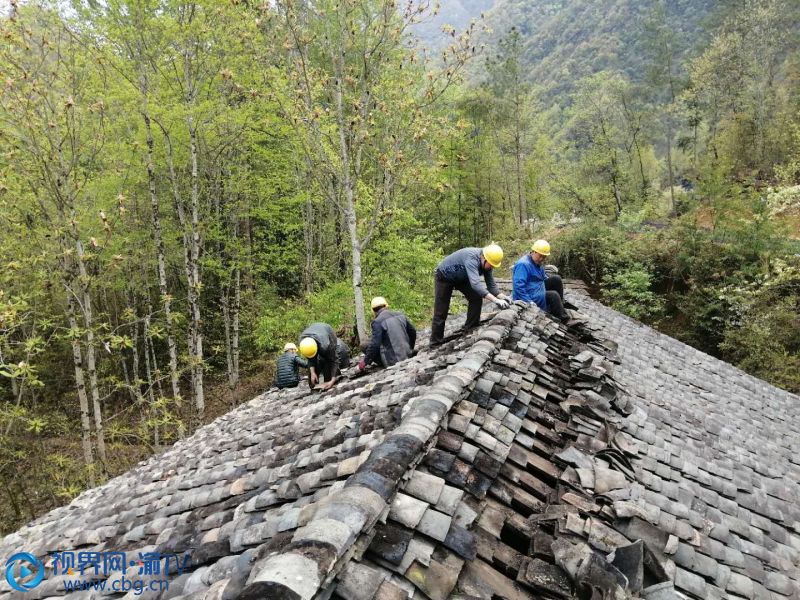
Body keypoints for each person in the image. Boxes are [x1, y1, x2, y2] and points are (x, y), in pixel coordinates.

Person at [431, 244, 511, 345]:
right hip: (444, 276)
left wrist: (504, 297)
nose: (491, 267)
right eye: (490, 264)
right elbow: (476, 285)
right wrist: (495, 300)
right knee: (441, 311)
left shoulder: (487, 264)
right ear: (484, 258)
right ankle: (435, 342)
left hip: (461, 277)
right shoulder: (472, 259)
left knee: (476, 298)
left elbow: (491, 286)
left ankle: (470, 328)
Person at [512, 239, 568, 321]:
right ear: (534, 251)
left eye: (544, 256)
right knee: (554, 295)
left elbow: (542, 276)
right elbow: (518, 287)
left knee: (556, 279)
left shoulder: (536, 261)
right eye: (540, 256)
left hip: (536, 286)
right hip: (528, 293)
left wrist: (549, 281)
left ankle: (560, 306)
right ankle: (563, 318)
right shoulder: (523, 264)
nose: (542, 259)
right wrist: (528, 301)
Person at [358, 296, 417, 370]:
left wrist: (365, 361)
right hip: (408, 354)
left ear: (373, 310)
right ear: (386, 306)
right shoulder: (400, 315)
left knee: (364, 345)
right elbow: (413, 332)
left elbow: (375, 345)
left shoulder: (377, 322)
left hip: (392, 361)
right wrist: (410, 348)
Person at [298, 323, 343, 390]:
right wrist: (313, 373)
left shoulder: (325, 345)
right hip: (315, 334)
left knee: (327, 360)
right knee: (312, 379)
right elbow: (310, 358)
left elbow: (334, 360)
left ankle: (332, 379)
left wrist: (332, 380)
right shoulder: (303, 343)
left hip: (328, 332)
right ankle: (314, 384)